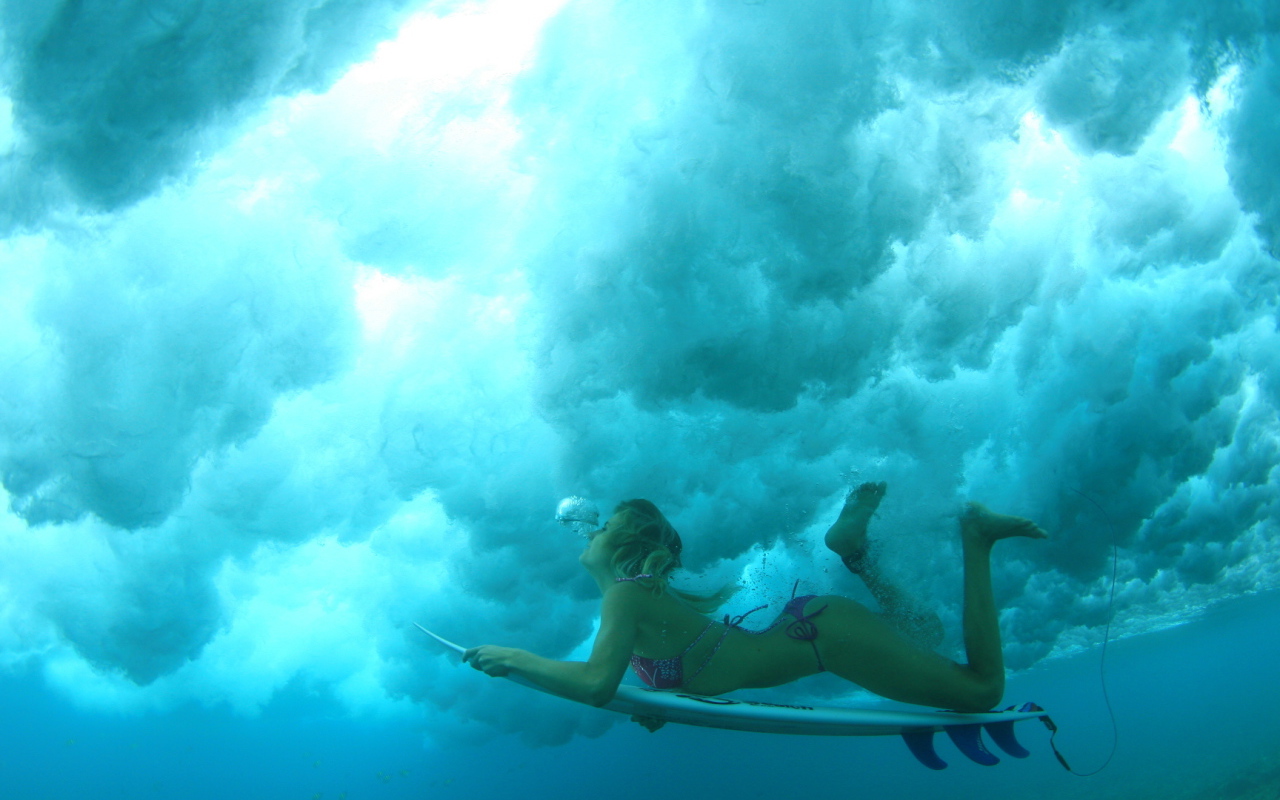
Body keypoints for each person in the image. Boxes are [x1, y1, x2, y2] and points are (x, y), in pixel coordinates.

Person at [462, 482, 1047, 722]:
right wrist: (662, 710)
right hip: (816, 630)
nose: (588, 528)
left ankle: (976, 536)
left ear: (626, 547)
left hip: (825, 638)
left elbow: (596, 684)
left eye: (604, 524)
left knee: (982, 691)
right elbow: (682, 675)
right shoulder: (635, 601)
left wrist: (515, 657)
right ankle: (855, 552)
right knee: (925, 630)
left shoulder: (625, 598)